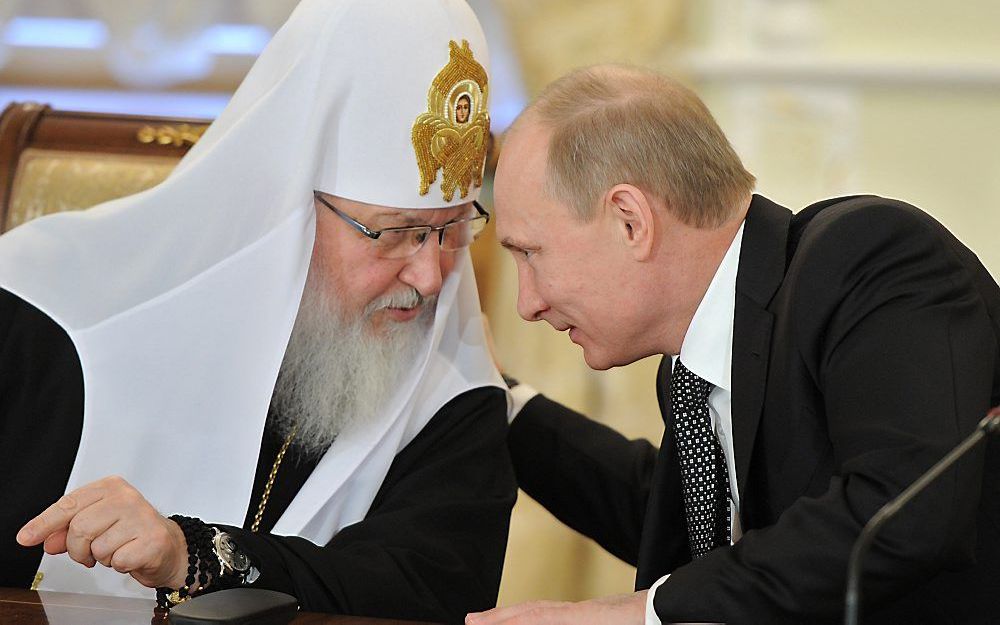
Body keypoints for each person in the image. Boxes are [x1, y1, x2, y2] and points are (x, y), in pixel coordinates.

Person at [0, 1, 516, 623]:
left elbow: (422, 593)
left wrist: (196, 555)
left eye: (453, 229)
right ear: (288, 205)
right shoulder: (38, 316)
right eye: (396, 232)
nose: (430, 278)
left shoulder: (454, 393)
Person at [468, 64, 1000, 624]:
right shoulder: (690, 368)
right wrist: (497, 405)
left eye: (530, 253)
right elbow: (687, 529)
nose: (527, 303)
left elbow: (900, 512)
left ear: (630, 221)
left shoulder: (867, 260)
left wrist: (640, 613)